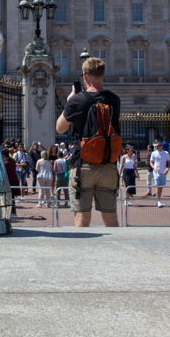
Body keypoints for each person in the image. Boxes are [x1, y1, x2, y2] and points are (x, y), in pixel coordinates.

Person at [55, 56, 121, 227]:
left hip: (83, 166)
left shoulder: (78, 100)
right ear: (102, 74)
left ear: (84, 75)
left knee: (82, 219)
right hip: (108, 165)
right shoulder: (114, 100)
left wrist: (70, 102)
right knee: (111, 218)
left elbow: (59, 128)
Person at [149, 140, 170, 208]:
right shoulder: (153, 153)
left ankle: (158, 201)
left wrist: (167, 169)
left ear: (161, 146)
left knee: (161, 187)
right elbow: (151, 162)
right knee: (158, 186)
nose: (156, 147)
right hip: (156, 172)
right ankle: (158, 201)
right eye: (156, 146)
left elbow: (169, 162)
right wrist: (154, 168)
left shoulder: (166, 153)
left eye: (158, 146)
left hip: (163, 172)